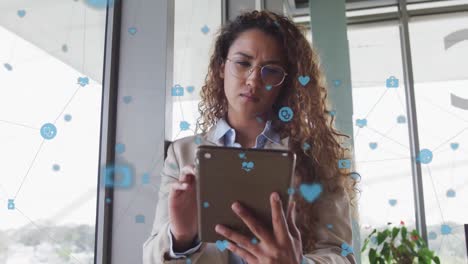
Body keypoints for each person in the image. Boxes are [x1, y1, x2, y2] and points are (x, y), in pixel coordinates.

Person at [143, 10, 358, 264]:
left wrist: (297, 263)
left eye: (272, 70)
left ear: (285, 83)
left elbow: (342, 256)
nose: (254, 79)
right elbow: (151, 258)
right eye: (243, 63)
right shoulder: (183, 154)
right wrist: (180, 237)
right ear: (221, 67)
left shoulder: (315, 157)